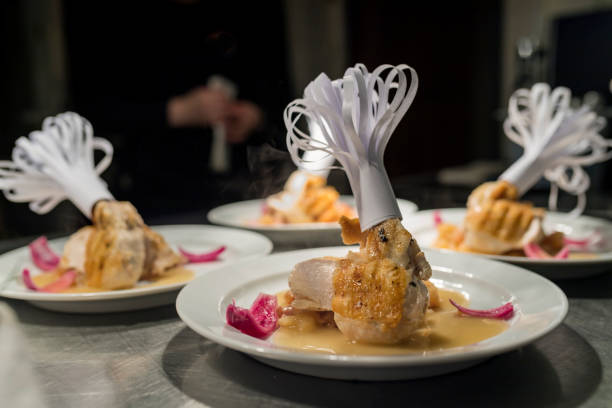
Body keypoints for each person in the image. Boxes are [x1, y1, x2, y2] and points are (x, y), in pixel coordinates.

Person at [63, 0, 290, 218]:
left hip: (243, 183)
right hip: (150, 188)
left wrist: (255, 115)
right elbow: (90, 111)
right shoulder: (109, 15)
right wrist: (174, 112)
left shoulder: (251, 10)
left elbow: (281, 94)